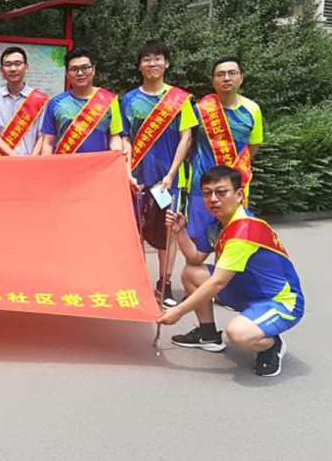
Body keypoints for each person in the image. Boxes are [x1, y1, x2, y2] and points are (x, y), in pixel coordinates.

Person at [158, 166, 303, 377]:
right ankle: (208, 335)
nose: (213, 199)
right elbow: (195, 258)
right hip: (245, 289)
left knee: (238, 334)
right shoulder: (217, 223)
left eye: (221, 192)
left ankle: (271, 345)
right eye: (207, 193)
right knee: (191, 272)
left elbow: (218, 282)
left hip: (279, 301)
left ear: (239, 195)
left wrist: (178, 312)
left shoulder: (244, 230)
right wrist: (180, 232)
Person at [121, 40, 196, 304]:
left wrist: (171, 174)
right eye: (146, 59)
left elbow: (186, 138)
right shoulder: (129, 100)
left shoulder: (180, 99)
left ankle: (164, 285)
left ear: (167, 63)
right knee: (136, 232)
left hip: (168, 180)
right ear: (139, 65)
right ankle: (139, 284)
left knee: (169, 231)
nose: (152, 63)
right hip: (138, 177)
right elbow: (125, 138)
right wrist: (128, 172)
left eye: (157, 58)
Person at [187, 57, 263, 254]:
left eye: (232, 73)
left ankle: (223, 275)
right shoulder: (199, 110)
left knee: (231, 241)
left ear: (241, 78)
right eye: (220, 74)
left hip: (234, 187)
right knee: (197, 244)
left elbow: (253, 146)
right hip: (201, 186)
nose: (226, 78)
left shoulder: (252, 109)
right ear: (213, 81)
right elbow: (188, 142)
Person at [39, 47, 124, 156]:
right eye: (74, 69)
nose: (80, 73)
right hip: (64, 164)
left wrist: (118, 156)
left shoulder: (109, 100)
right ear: (67, 74)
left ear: (93, 70)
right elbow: (48, 142)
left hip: (98, 164)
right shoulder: (56, 103)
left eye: (85, 68)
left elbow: (114, 136)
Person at [0, 46, 47, 156]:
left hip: (30, 162)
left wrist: (31, 160)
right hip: (1, 161)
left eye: (17, 64)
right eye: (8, 64)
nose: (13, 69)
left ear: (26, 67)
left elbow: (43, 136)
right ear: (1, 70)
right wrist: (15, 158)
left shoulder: (40, 100)